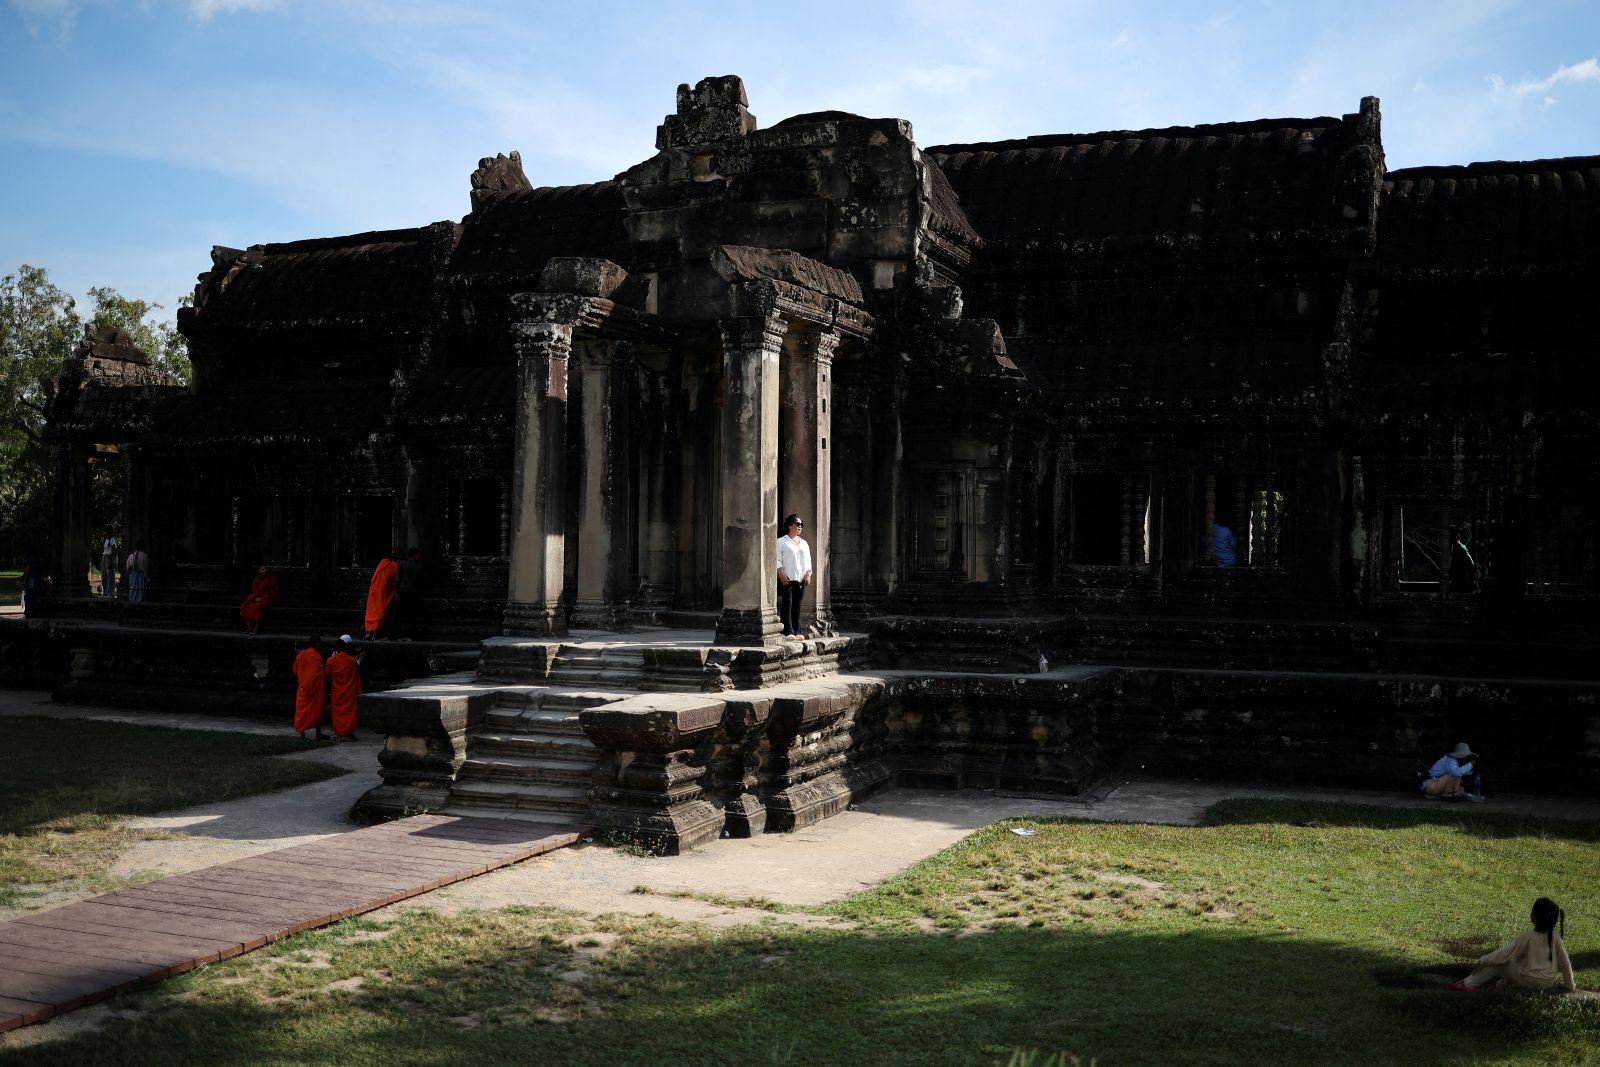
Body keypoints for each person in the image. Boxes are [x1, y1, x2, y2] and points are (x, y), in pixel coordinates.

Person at [1448, 898, 1575, 994]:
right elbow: (1565, 963)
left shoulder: (1527, 936)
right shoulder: (1556, 938)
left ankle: (1466, 984)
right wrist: (1570, 986)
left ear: (1534, 917)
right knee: (1514, 964)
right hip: (1547, 983)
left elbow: (1505, 953)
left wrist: (1484, 960)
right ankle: (1500, 986)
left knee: (1495, 964)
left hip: (1529, 981)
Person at [775, 513, 813, 638]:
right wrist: (781, 574)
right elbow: (777, 559)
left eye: (801, 524)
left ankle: (797, 631)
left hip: (801, 579)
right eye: (797, 524)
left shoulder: (804, 543)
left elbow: (808, 561)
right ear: (790, 525)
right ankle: (788, 631)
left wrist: (808, 574)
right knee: (787, 604)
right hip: (787, 578)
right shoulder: (781, 541)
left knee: (797, 605)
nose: (800, 526)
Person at [325, 635, 363, 741]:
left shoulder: (331, 661)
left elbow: (327, 675)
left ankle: (340, 732)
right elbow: (356, 673)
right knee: (350, 711)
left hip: (337, 691)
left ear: (335, 648)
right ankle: (348, 732)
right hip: (350, 691)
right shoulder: (351, 661)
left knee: (338, 712)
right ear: (346, 647)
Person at [292, 635, 328, 740]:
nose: (320, 645)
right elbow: (319, 674)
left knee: (302, 711)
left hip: (303, 688)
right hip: (315, 690)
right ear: (316, 644)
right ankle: (318, 733)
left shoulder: (301, 654)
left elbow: (295, 670)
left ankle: (303, 734)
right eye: (319, 643)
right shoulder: (317, 657)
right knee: (317, 710)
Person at [392, 547, 426, 640]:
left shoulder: (402, 565)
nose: (419, 556)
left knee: (398, 615)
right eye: (418, 554)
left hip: (402, 592)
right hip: (412, 593)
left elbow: (397, 579)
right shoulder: (418, 566)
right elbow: (421, 581)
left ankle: (394, 634)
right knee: (411, 615)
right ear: (415, 555)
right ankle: (409, 635)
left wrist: (397, 591)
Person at [362, 556, 400, 639]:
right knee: (380, 611)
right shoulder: (395, 567)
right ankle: (375, 634)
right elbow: (397, 580)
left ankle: (368, 633)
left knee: (371, 611)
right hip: (383, 593)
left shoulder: (381, 567)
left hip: (374, 592)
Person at [240, 565, 280, 635]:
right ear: (258, 571)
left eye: (265, 569)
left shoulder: (271, 578)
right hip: (256, 597)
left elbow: (274, 591)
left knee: (258, 607)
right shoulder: (257, 579)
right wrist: (255, 597)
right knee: (245, 606)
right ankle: (250, 627)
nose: (265, 571)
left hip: (268, 598)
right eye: (262, 569)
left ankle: (257, 627)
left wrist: (262, 597)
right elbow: (255, 591)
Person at [1448, 525, 1477, 593]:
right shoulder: (1455, 549)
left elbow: (1471, 566)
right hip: (1458, 583)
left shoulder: (1461, 549)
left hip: (1461, 584)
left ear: (1455, 537)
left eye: (1450, 537)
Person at [20, 548, 43, 618]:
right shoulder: (39, 560)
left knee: (29, 595)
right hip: (38, 579)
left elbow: (27, 570)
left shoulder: (30, 560)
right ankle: (34, 611)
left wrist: (24, 580)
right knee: (35, 595)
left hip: (32, 579)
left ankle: (29, 611)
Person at [99, 534, 118, 598]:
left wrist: (111, 560)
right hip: (105, 556)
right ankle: (105, 591)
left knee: (110, 575)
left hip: (109, 557)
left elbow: (114, 550)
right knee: (104, 574)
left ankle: (111, 592)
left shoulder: (112, 540)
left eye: (108, 532)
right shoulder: (106, 540)